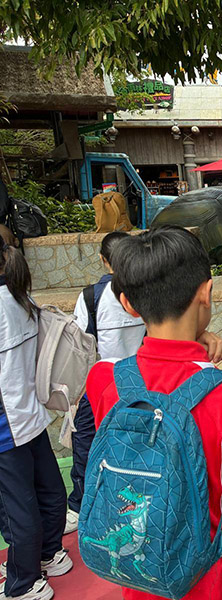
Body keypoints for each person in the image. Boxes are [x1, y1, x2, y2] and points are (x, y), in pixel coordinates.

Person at [85, 227, 222, 600]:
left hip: (138, 577)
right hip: (209, 581)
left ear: (128, 303)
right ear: (206, 293)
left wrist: (193, 335)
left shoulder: (104, 380)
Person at [0, 239, 71, 600]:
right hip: (30, 414)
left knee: (16, 508)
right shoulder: (19, 296)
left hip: (5, 426)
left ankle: (24, 583)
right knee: (48, 488)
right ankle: (50, 553)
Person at [64, 232, 146, 534]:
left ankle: (80, 505)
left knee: (86, 443)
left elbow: (80, 346)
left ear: (103, 259)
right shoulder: (145, 290)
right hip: (140, 383)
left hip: (100, 387)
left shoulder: (91, 297)